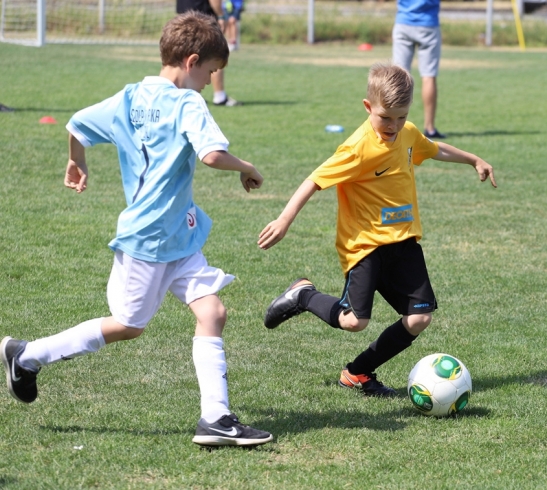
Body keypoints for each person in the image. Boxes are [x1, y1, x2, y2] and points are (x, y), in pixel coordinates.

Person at [1, 11, 272, 447]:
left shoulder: (129, 97)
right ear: (192, 60)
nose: (208, 82)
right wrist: (246, 166)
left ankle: (216, 419)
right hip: (149, 238)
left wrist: (77, 160)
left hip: (178, 236)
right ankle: (27, 355)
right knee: (128, 325)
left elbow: (77, 124)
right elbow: (210, 155)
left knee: (212, 313)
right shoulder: (188, 102)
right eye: (210, 72)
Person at [257, 63, 496, 396]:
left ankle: (358, 373)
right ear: (368, 107)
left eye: (401, 116)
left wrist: (473, 159)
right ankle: (304, 295)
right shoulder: (357, 148)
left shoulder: (408, 132)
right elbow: (314, 180)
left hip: (404, 242)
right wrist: (284, 219)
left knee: (419, 319)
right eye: (386, 117)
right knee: (355, 321)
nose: (394, 126)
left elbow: (433, 147)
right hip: (365, 245)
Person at [393, 0, 445, 139]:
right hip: (428, 23)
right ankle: (430, 128)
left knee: (398, 77)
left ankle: (393, 125)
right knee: (429, 76)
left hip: (403, 22)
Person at [177, 0, 240, 106]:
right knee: (216, 53)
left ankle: (187, 93)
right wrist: (221, 16)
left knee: (184, 55)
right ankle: (219, 96)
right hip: (204, 18)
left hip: (183, 15)